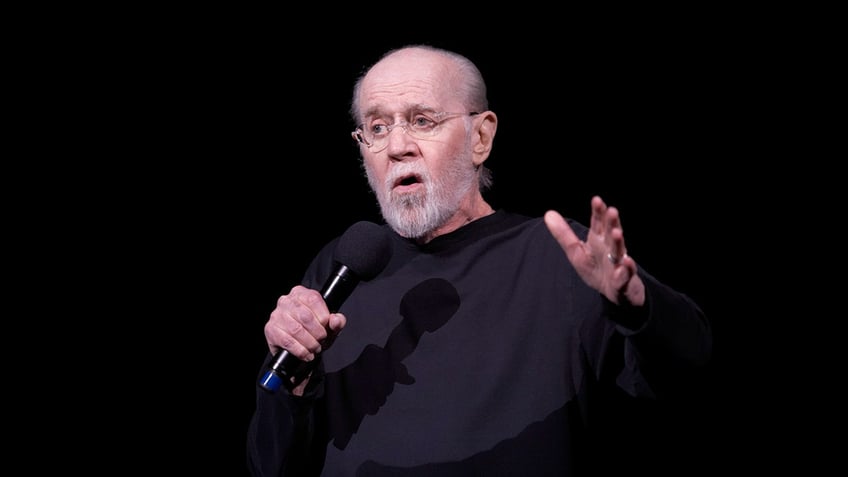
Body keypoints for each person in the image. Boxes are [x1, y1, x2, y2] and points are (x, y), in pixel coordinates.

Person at [246, 44, 712, 476]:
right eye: (376, 127)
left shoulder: (558, 255)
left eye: (422, 120)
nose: (396, 146)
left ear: (480, 137)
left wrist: (639, 308)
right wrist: (295, 380)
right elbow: (270, 464)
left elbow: (688, 371)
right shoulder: (342, 267)